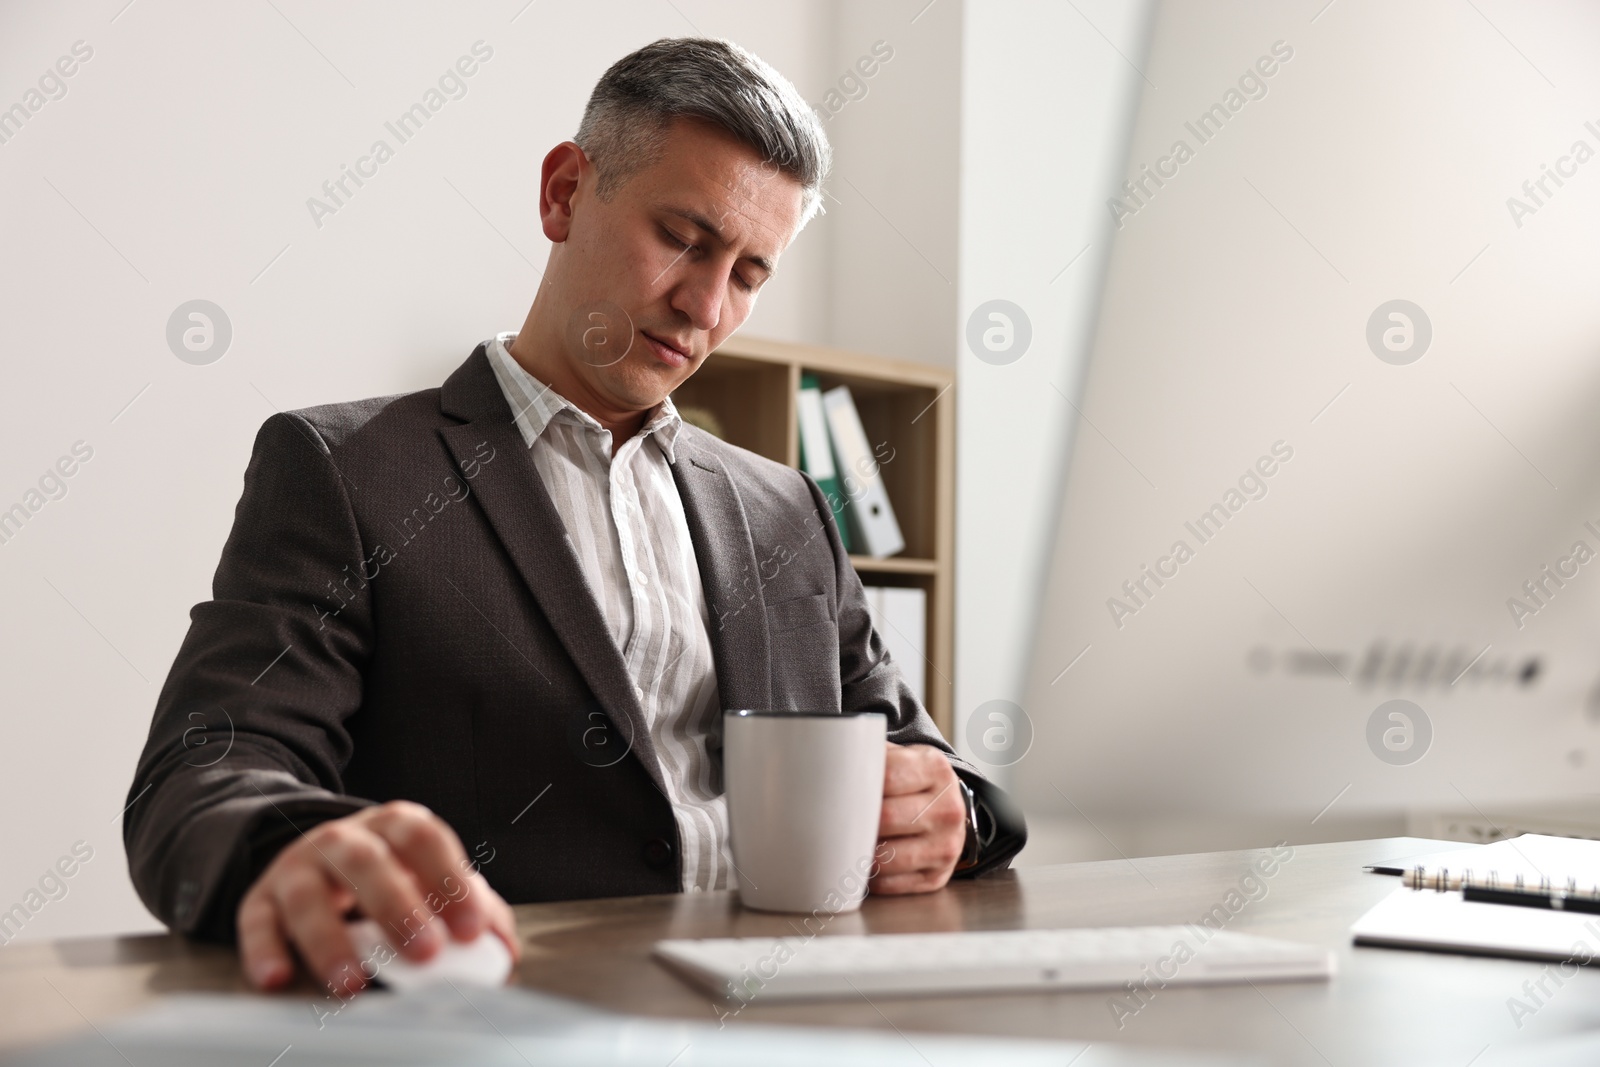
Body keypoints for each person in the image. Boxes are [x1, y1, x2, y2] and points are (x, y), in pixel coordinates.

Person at [124, 36, 1025, 995]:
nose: (704, 306)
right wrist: (293, 846)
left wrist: (957, 813)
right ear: (562, 193)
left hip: (794, 1017)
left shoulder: (788, 510)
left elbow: (933, 763)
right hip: (497, 1026)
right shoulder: (344, 471)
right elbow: (206, 766)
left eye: (751, 274)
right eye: (683, 237)